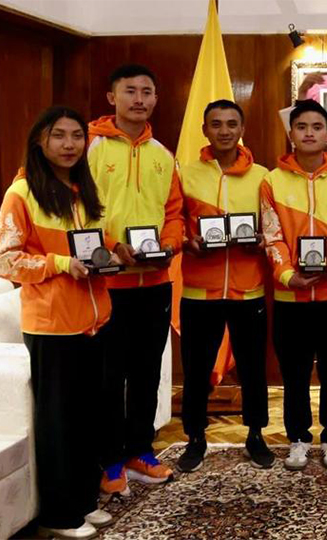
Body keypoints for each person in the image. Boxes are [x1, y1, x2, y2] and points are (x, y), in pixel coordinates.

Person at [1, 107, 118, 538]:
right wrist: (59, 263)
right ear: (39, 142)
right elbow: (7, 260)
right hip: (52, 325)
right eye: (58, 136)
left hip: (93, 321)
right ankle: (60, 514)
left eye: (76, 137)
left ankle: (85, 500)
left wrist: (113, 257)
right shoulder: (22, 192)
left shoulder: (81, 189)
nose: (69, 145)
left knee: (89, 418)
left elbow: (93, 248)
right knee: (58, 423)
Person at [89, 63, 182, 495]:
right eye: (130, 91)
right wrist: (110, 245)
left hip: (155, 282)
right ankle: (109, 460)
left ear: (156, 100)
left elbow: (174, 213)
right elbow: (77, 212)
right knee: (109, 377)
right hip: (106, 285)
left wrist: (170, 243)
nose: (139, 99)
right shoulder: (88, 147)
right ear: (112, 97)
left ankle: (141, 451)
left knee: (147, 372)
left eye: (147, 91)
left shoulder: (164, 155)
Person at [260, 100, 327, 473]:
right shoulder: (272, 181)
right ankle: (299, 440)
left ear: (326, 133)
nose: (308, 133)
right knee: (296, 374)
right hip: (291, 297)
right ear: (291, 134)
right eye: (301, 126)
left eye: (316, 126)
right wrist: (289, 276)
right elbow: (271, 237)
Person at [175, 100, 273, 472]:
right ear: (205, 129)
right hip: (200, 289)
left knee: (252, 368)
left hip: (249, 289)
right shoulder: (186, 173)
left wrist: (262, 240)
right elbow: (175, 220)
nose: (224, 131)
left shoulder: (263, 175)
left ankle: (256, 434)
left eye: (232, 123)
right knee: (197, 369)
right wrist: (187, 240)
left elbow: (272, 225)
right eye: (216, 124)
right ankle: (195, 438)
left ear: (241, 128)